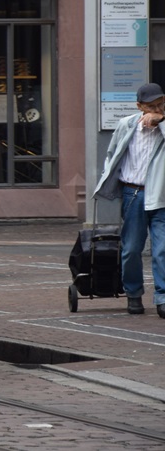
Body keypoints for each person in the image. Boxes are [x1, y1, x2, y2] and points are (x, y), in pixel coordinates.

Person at [95, 83, 165, 317]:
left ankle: (162, 297)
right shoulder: (127, 124)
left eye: (161, 104)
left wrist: (160, 121)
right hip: (133, 193)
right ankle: (133, 294)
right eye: (151, 105)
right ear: (139, 106)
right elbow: (112, 154)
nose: (157, 109)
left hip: (162, 196)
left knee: (161, 249)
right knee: (132, 249)